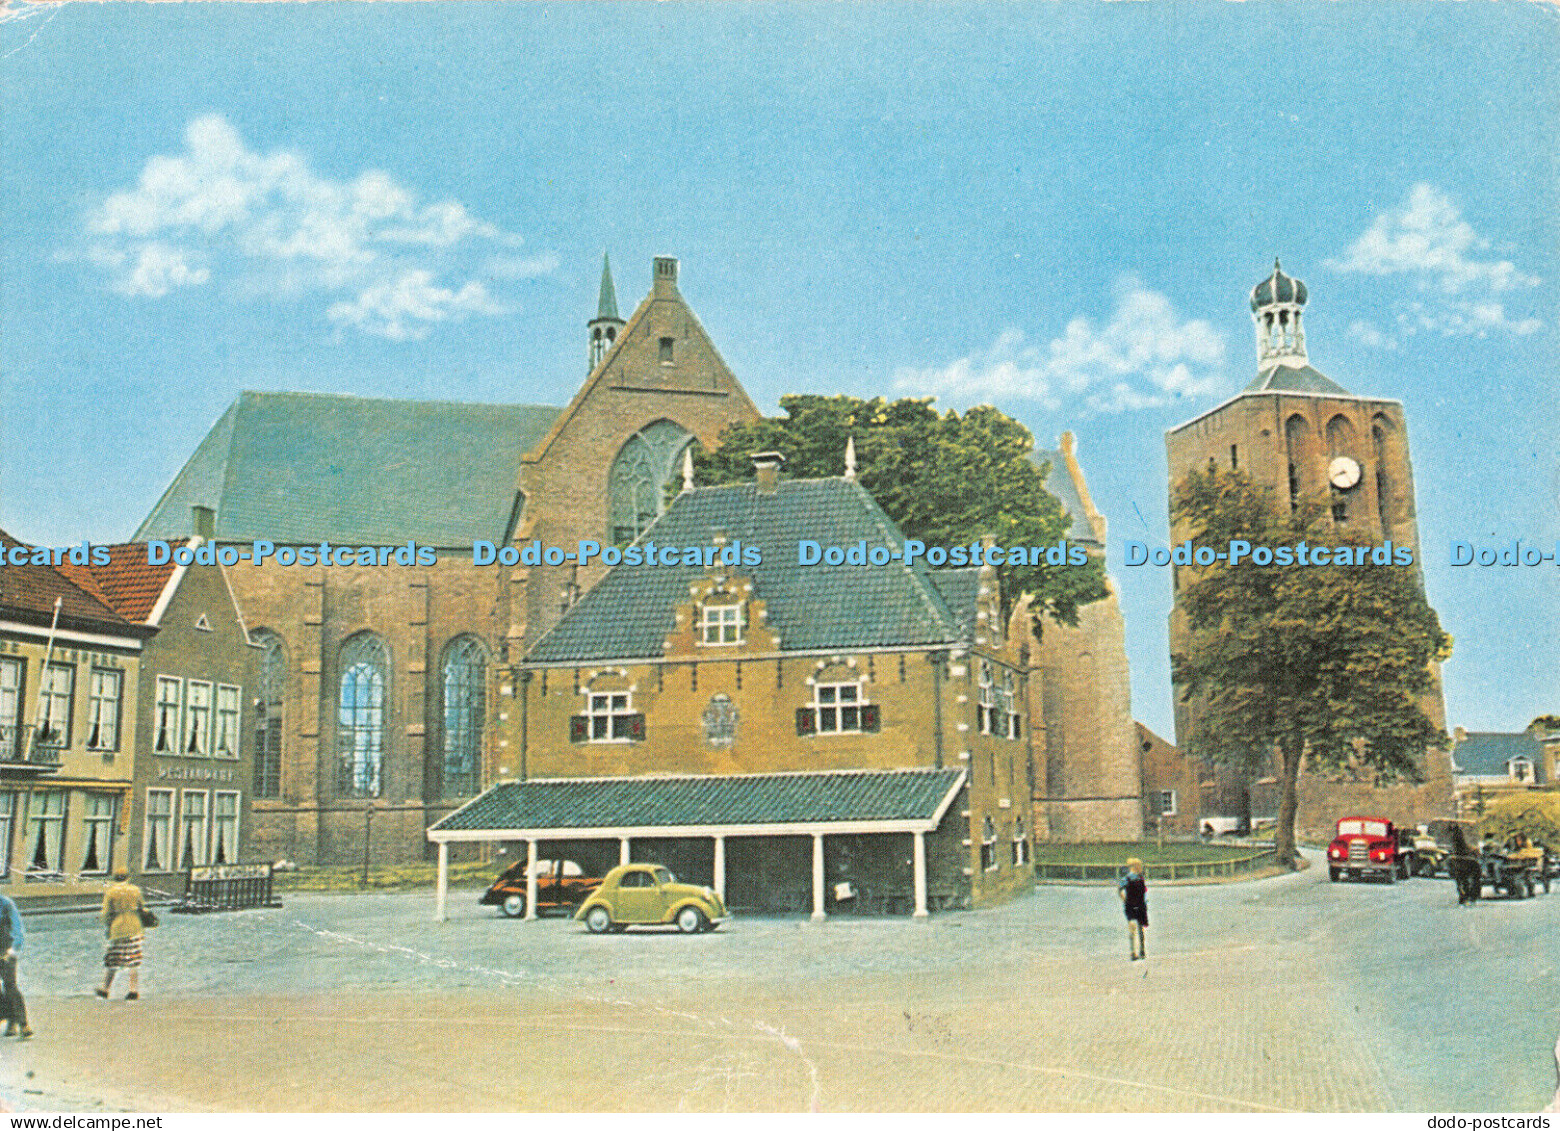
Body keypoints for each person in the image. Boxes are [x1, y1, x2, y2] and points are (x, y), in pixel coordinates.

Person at [97, 866, 148, 1001]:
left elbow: (106, 914)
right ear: (128, 877)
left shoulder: (111, 892)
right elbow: (142, 907)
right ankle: (133, 990)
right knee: (133, 960)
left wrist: (108, 927)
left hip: (118, 928)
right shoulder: (135, 890)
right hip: (135, 927)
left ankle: (105, 989)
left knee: (113, 959)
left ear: (114, 878)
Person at [0, 892, 30, 1039]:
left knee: (10, 984)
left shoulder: (6, 904)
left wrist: (13, 950)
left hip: (6, 950)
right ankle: (10, 1017)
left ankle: (23, 1024)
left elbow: (17, 929)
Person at [1117, 857, 1149, 961]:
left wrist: (1125, 900)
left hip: (1133, 905)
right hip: (1137, 905)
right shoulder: (1133, 879)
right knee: (1139, 929)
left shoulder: (1135, 878)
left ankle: (1135, 951)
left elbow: (1119, 890)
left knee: (1134, 929)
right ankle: (1140, 951)